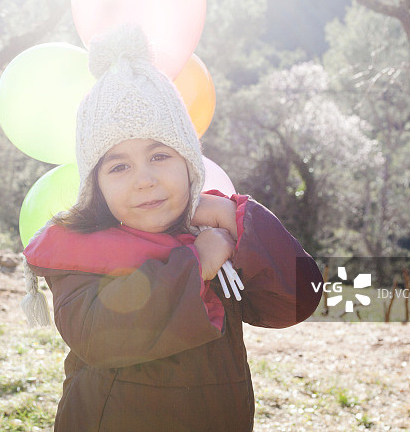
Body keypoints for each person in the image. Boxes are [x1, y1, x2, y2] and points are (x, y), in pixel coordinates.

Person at [22, 24, 323, 431]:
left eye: (160, 155)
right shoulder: (82, 251)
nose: (143, 179)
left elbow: (296, 299)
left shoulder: (221, 237)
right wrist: (195, 266)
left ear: (190, 164)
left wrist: (233, 217)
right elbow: (98, 335)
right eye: (119, 166)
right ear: (96, 186)